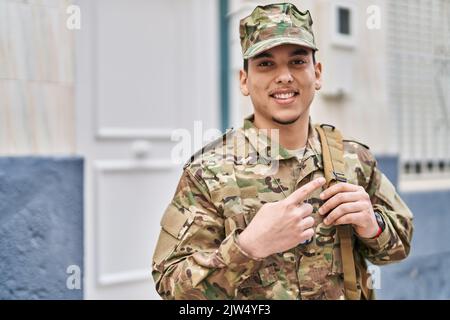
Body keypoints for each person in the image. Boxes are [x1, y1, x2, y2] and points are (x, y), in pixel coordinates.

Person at [152, 2, 413, 300]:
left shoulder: (354, 159)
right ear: (244, 81)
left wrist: (372, 226)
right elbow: (172, 288)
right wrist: (247, 247)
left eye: (297, 62)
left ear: (317, 73)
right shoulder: (209, 173)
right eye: (265, 63)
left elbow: (400, 245)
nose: (284, 76)